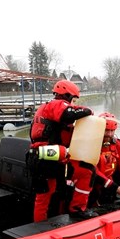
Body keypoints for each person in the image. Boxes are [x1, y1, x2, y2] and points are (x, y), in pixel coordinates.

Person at [29, 80, 96, 222]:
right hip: (47, 155)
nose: (72, 102)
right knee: (45, 195)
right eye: (72, 99)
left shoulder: (48, 107)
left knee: (49, 193)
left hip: (43, 156)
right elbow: (69, 114)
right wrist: (88, 111)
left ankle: (47, 221)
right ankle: (41, 227)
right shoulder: (57, 105)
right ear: (66, 95)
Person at [90, 112, 120, 205]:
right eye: (106, 130)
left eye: (112, 131)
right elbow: (92, 170)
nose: (109, 134)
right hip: (93, 184)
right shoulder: (91, 144)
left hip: (109, 184)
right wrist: (115, 187)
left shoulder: (117, 144)